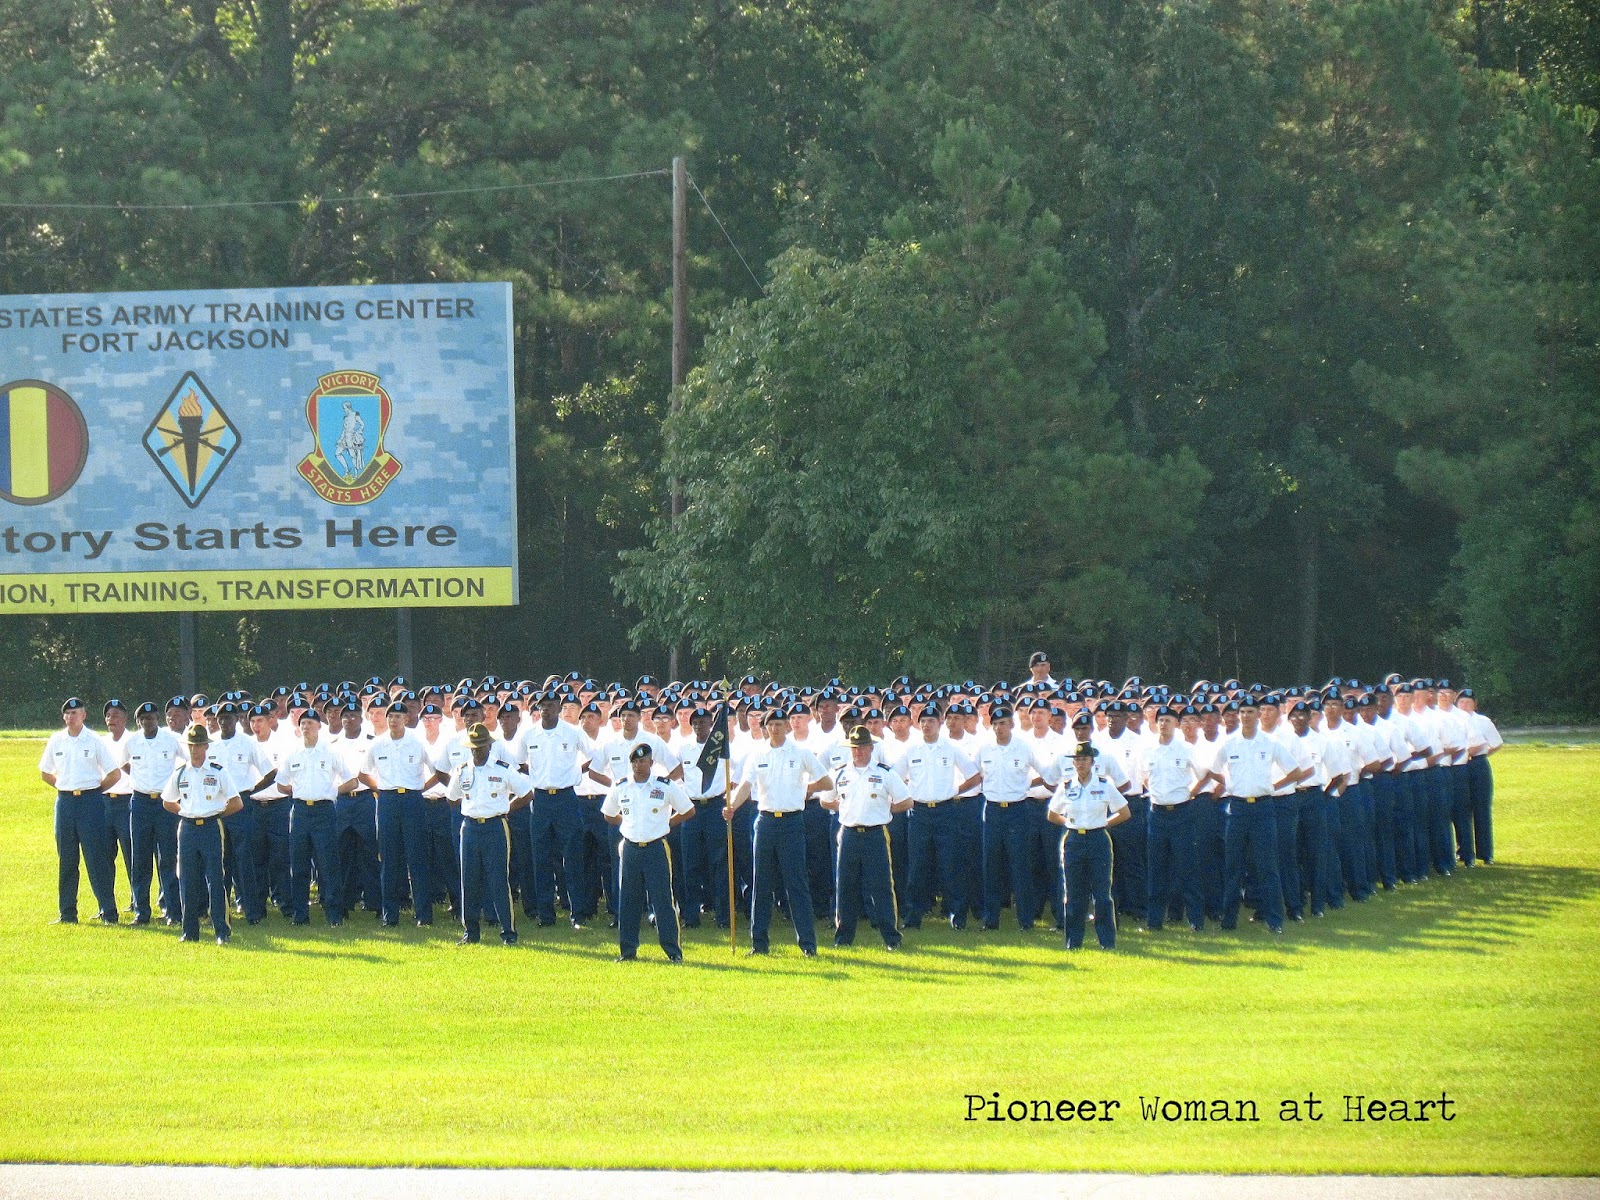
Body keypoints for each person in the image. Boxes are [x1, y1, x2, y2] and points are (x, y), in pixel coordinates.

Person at [727, 709, 830, 956]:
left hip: (792, 823)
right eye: (770, 725)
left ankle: (808, 944)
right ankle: (759, 944)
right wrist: (732, 806)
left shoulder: (801, 752)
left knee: (797, 884)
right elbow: (745, 785)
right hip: (765, 822)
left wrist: (804, 788)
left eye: (779, 724)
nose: (774, 729)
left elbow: (826, 782)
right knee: (761, 884)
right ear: (765, 728)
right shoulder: (757, 754)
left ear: (787, 726)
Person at [1205, 697, 1306, 934]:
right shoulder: (1229, 743)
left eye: (1251, 712)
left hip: (1263, 808)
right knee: (1233, 867)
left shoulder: (1270, 743)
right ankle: (1229, 921)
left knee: (1267, 866)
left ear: (1258, 715)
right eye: (1243, 712)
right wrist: (1231, 784)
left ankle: (1274, 920)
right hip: (1237, 809)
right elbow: (1212, 770)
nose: (1246, 716)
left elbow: (1296, 772)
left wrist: (1273, 787)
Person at [822, 725, 913, 949]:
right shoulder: (840, 773)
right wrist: (844, 808)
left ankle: (891, 938)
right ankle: (843, 939)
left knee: (882, 887)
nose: (858, 752)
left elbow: (906, 801)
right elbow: (825, 800)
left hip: (875, 834)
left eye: (862, 747)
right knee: (845, 886)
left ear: (871, 748)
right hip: (849, 834)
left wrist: (884, 810)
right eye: (854, 748)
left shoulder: (884, 773)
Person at [602, 744, 694, 962]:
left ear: (651, 763)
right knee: (628, 901)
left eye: (642, 761)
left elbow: (688, 810)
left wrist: (667, 824)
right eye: (634, 761)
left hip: (656, 848)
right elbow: (608, 813)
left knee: (663, 901)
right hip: (631, 849)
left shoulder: (664, 786)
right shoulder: (621, 786)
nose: (638, 765)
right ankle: (627, 951)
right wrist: (627, 825)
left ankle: (673, 952)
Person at [446, 722, 532, 945]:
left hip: (495, 826)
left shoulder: (502, 769)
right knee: (469, 880)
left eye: (481, 746)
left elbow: (526, 793)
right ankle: (470, 932)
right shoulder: (462, 770)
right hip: (470, 827)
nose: (477, 750)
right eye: (473, 747)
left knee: (498, 879)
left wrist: (506, 809)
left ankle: (508, 932)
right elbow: (452, 798)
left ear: (489, 746)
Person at [40, 697, 122, 924]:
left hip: (90, 803)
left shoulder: (94, 740)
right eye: (67, 713)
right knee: (67, 859)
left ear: (84, 716)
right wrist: (63, 786)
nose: (70, 717)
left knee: (96, 859)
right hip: (65, 803)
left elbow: (114, 773)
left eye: (75, 713)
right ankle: (67, 913)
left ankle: (108, 912)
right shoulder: (56, 740)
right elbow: (45, 772)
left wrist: (95, 791)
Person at [161, 724, 244, 944]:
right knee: (187, 880)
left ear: (206, 746)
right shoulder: (180, 772)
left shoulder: (217, 771)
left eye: (198, 745)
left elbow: (237, 802)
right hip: (187, 828)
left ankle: (222, 931)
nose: (194, 750)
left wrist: (215, 814)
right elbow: (167, 801)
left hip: (211, 827)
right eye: (191, 746)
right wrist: (185, 812)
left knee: (215, 879)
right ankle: (189, 931)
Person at [275, 710, 357, 925]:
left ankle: (334, 914)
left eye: (310, 723)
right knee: (299, 865)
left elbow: (352, 781)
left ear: (319, 726)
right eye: (302, 723)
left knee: (328, 865)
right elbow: (281, 783)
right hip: (300, 811)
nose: (306, 727)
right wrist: (297, 792)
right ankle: (300, 915)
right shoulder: (293, 753)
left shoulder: (330, 751)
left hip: (324, 811)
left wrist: (332, 791)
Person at [1047, 743, 1130, 949]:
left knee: (1102, 895)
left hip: (1098, 840)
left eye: (1084, 759)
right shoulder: (1067, 786)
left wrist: (1103, 824)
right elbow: (1052, 814)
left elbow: (1124, 812)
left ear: (1092, 762)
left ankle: (1107, 943)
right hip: (1074, 840)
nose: (1080, 763)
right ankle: (1073, 943)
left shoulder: (1104, 785)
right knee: (1074, 894)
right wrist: (1069, 823)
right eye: (1077, 760)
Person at [361, 702, 435, 927]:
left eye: (398, 716)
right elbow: (363, 774)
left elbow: (437, 771)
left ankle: (423, 914)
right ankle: (390, 915)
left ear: (406, 719)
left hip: (412, 801)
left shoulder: (417, 742)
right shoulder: (378, 744)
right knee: (389, 858)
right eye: (390, 716)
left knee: (417, 858)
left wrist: (421, 788)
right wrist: (381, 788)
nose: (393, 720)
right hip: (388, 801)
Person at [1139, 705, 1207, 932]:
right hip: (1157, 813)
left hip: (1181, 813)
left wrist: (1191, 793)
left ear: (1176, 724)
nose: (1163, 724)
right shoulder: (1148, 750)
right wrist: (1156, 793)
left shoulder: (1186, 749)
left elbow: (1203, 774)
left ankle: (1195, 920)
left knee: (1187, 868)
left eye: (1168, 720)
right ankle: (1154, 921)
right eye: (1160, 720)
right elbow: (1144, 777)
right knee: (1156, 869)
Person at [121, 701, 184, 925]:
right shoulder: (131, 742)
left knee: (168, 857)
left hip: (165, 803)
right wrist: (139, 778)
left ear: (158, 719)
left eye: (151, 718)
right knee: (140, 858)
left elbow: (189, 761)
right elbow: (123, 764)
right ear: (138, 722)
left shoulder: (171, 739)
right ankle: (141, 911)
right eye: (143, 719)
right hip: (140, 802)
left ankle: (173, 911)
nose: (147, 722)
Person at [100, 699, 136, 914]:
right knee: (104, 856)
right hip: (104, 802)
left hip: (126, 801)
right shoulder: (101, 742)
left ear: (125, 719)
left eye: (115, 715)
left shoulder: (133, 741)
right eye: (108, 716)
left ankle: (136, 901)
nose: (111, 719)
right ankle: (106, 904)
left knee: (131, 855)